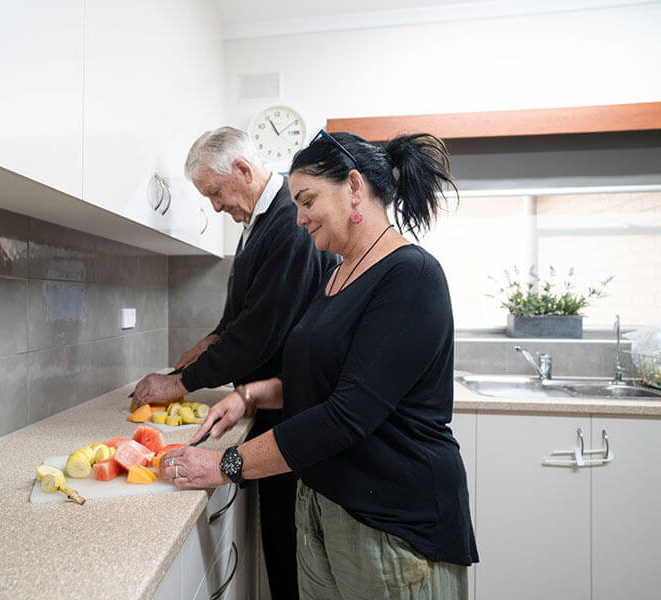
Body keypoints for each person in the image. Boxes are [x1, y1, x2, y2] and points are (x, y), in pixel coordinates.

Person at [158, 130, 479, 599]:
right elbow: (316, 381)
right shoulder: (336, 276)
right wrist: (248, 394)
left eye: (307, 201)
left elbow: (346, 413)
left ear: (353, 186)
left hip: (392, 523)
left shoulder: (411, 277)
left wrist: (226, 463)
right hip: (325, 503)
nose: (300, 218)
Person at [133, 126, 338, 600]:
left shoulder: (287, 222)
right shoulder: (260, 224)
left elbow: (259, 332)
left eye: (214, 192)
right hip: (269, 402)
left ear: (243, 171)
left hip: (291, 409)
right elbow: (242, 316)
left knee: (288, 546)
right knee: (281, 540)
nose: (215, 206)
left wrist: (181, 383)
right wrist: (208, 341)